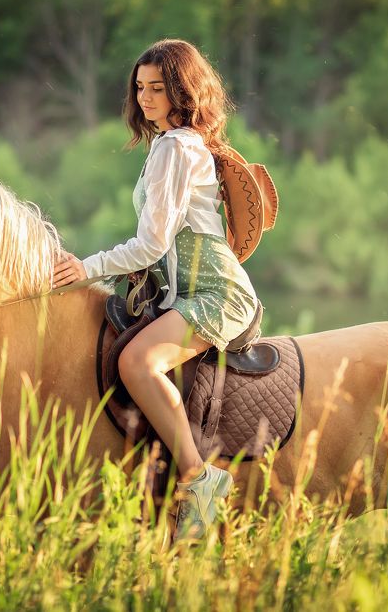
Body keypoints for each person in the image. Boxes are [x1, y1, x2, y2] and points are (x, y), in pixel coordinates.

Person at [51, 39, 259, 540]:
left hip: (216, 293)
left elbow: (152, 244)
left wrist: (88, 268)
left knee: (136, 362)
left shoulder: (176, 147)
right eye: (140, 87)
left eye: (158, 88)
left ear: (181, 90)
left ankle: (200, 477)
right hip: (183, 293)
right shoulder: (169, 144)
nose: (145, 98)